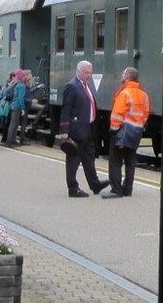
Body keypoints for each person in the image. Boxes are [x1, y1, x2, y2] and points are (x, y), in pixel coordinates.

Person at [57, 60, 108, 198]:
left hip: (88, 128)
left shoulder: (84, 85)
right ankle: (73, 188)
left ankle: (95, 184)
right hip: (76, 129)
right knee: (73, 159)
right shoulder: (72, 86)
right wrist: (64, 131)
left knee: (89, 158)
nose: (89, 75)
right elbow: (66, 109)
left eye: (90, 72)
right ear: (78, 71)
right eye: (86, 73)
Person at [103, 67, 150, 199]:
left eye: (123, 73)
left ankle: (116, 190)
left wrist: (114, 129)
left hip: (122, 131)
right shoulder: (144, 95)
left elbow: (117, 113)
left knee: (115, 161)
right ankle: (128, 189)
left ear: (128, 76)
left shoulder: (124, 93)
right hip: (136, 132)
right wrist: (138, 126)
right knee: (130, 161)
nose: (122, 74)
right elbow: (145, 114)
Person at [2, 70, 28, 147]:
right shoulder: (22, 86)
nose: (25, 77)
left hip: (13, 105)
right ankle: (9, 141)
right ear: (22, 77)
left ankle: (12, 140)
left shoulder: (17, 85)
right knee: (13, 124)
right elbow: (21, 98)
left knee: (15, 123)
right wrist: (23, 108)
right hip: (17, 106)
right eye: (23, 76)